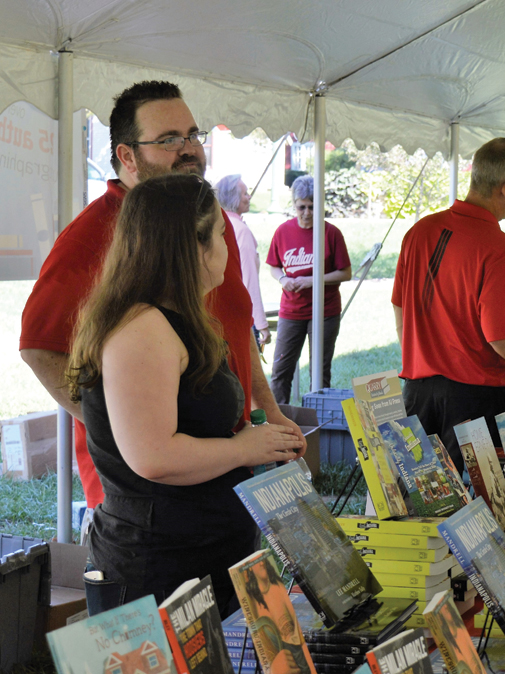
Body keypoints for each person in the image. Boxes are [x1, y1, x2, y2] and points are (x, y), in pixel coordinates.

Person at [19, 81, 304, 517]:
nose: (189, 150)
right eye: (169, 140)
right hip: (150, 497)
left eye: (192, 134)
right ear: (127, 157)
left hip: (226, 465)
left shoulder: (207, 222)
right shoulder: (88, 239)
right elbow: (40, 348)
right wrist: (123, 428)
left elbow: (236, 323)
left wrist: (267, 410)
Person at [66, 174, 305, 616]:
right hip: (155, 569)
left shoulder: (176, 317)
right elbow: (153, 456)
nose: (228, 246)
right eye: (219, 233)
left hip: (199, 555)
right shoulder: (140, 328)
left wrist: (262, 432)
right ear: (190, 246)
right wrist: (242, 449)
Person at [392, 138, 505, 472]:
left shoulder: (419, 232)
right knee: (482, 507)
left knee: (422, 503)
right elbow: (502, 338)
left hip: (417, 393)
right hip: (473, 399)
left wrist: (419, 352)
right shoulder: (498, 248)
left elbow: (400, 307)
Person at [265, 175, 352, 403]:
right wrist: (283, 279)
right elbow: (273, 265)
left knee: (319, 372)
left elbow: (345, 272)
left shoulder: (330, 233)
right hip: (291, 310)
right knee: (281, 369)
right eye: (301, 207)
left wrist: (314, 280)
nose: (306, 212)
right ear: (294, 204)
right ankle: (280, 420)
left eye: (312, 207)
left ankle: (317, 422)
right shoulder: (283, 232)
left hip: (324, 311)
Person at [216, 174, 270, 349]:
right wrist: (262, 324)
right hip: (243, 317)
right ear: (233, 198)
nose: (249, 197)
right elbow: (249, 280)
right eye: (245, 193)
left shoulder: (217, 224)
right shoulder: (239, 229)